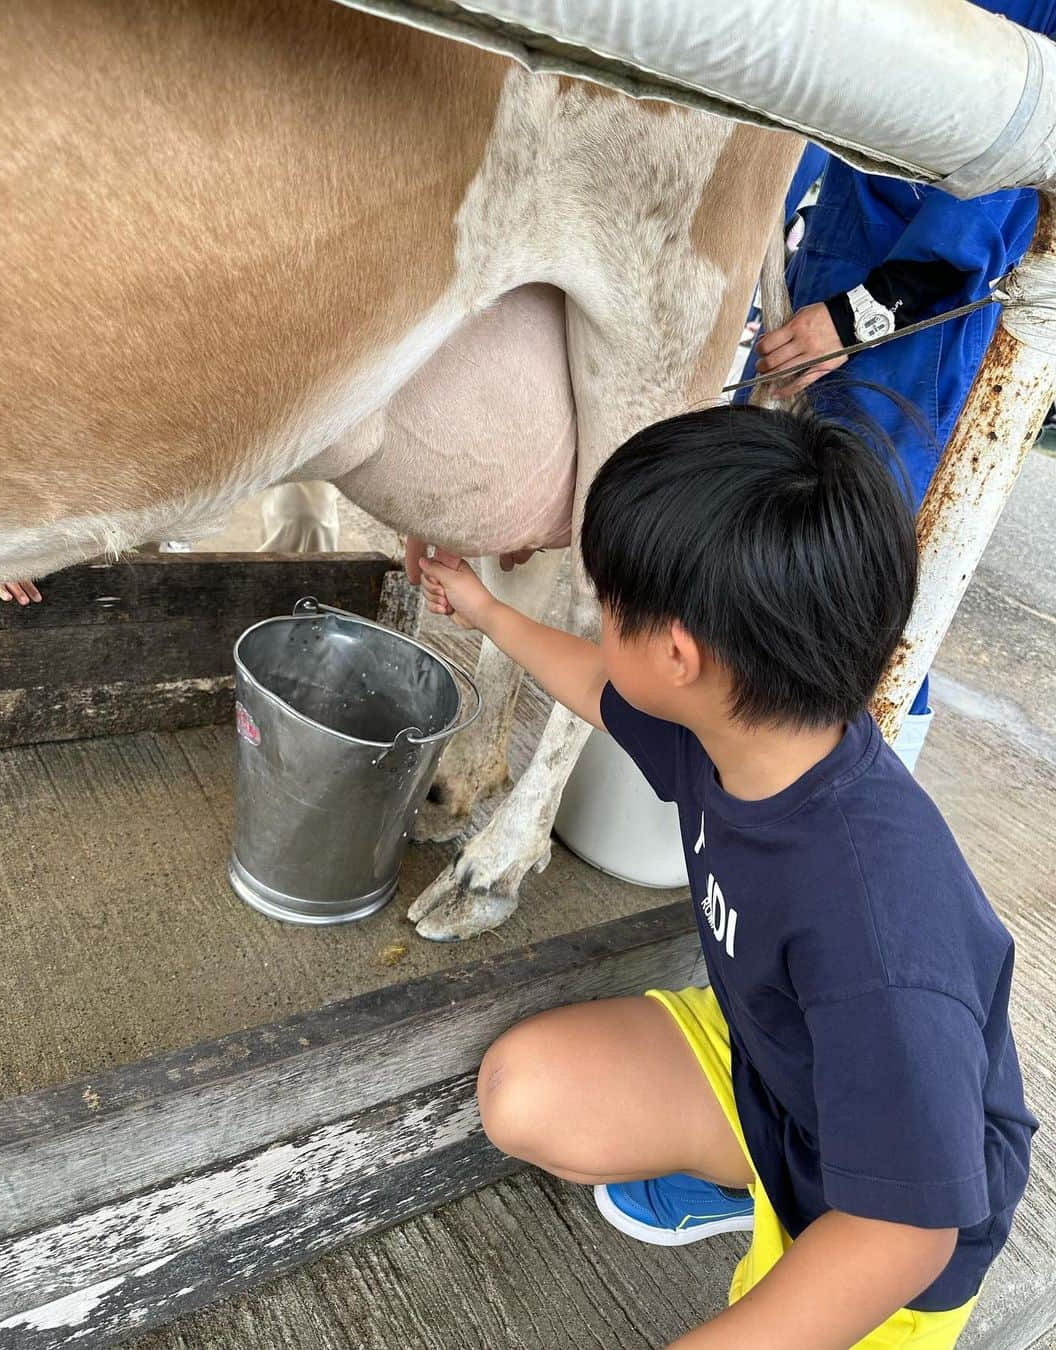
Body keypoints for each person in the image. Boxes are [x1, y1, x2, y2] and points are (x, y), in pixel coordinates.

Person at [419, 404, 1035, 1349]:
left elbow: (910, 1231)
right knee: (523, 1088)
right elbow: (597, 683)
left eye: (608, 603)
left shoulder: (879, 925)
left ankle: (780, 1221)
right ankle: (739, 1182)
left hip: (890, 1223)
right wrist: (487, 609)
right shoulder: (750, 726)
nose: (599, 619)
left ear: (676, 656)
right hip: (776, 1075)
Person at [736, 0, 1056, 770]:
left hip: (914, 322)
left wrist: (857, 317)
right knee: (756, 518)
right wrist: (755, 211)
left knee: (857, 565)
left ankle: (867, 784)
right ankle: (742, 774)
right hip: (827, 265)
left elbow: (1006, 177)